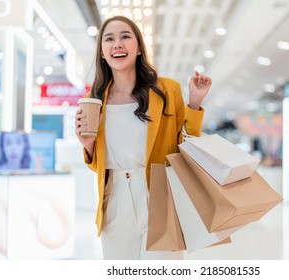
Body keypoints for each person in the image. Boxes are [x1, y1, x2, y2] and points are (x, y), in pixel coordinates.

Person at [75, 15, 212, 260]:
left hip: (161, 193)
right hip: (114, 197)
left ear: (138, 48)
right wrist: (88, 147)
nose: (117, 43)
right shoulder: (93, 98)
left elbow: (188, 146)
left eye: (125, 37)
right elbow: (99, 165)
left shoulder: (167, 90)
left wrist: (194, 103)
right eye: (109, 39)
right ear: (103, 52)